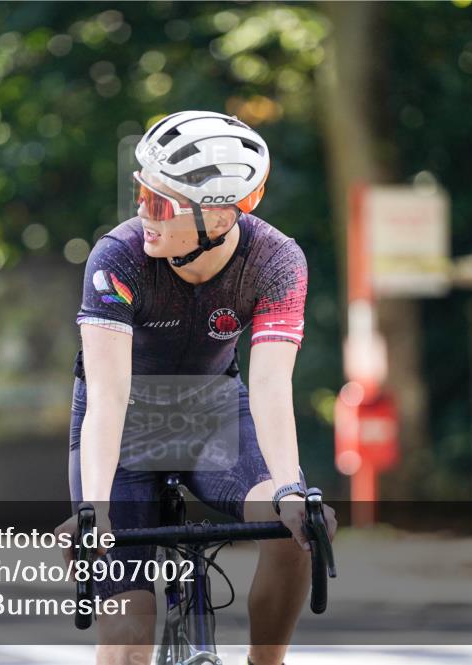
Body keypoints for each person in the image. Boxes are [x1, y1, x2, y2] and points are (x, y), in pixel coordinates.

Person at [57, 110, 337, 665]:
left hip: (213, 415)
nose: (141, 210)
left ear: (219, 214)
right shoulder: (117, 256)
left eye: (158, 202)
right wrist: (95, 510)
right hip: (125, 428)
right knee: (128, 643)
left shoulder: (276, 260)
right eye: (140, 191)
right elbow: (108, 400)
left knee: (296, 530)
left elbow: (271, 385)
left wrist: (287, 491)